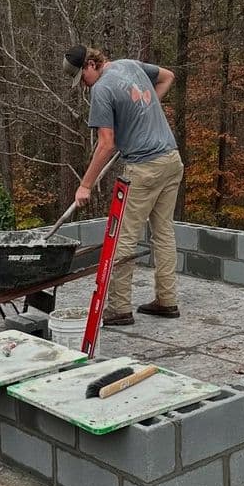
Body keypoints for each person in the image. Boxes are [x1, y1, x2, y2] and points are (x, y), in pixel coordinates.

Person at [64, 43, 183, 326]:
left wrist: (85, 185)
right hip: (171, 159)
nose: (83, 85)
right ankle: (167, 301)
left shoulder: (101, 90)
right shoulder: (129, 65)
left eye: (82, 77)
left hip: (144, 168)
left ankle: (119, 308)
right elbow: (168, 76)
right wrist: (142, 114)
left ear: (91, 65)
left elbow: (106, 144)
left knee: (122, 238)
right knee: (163, 233)